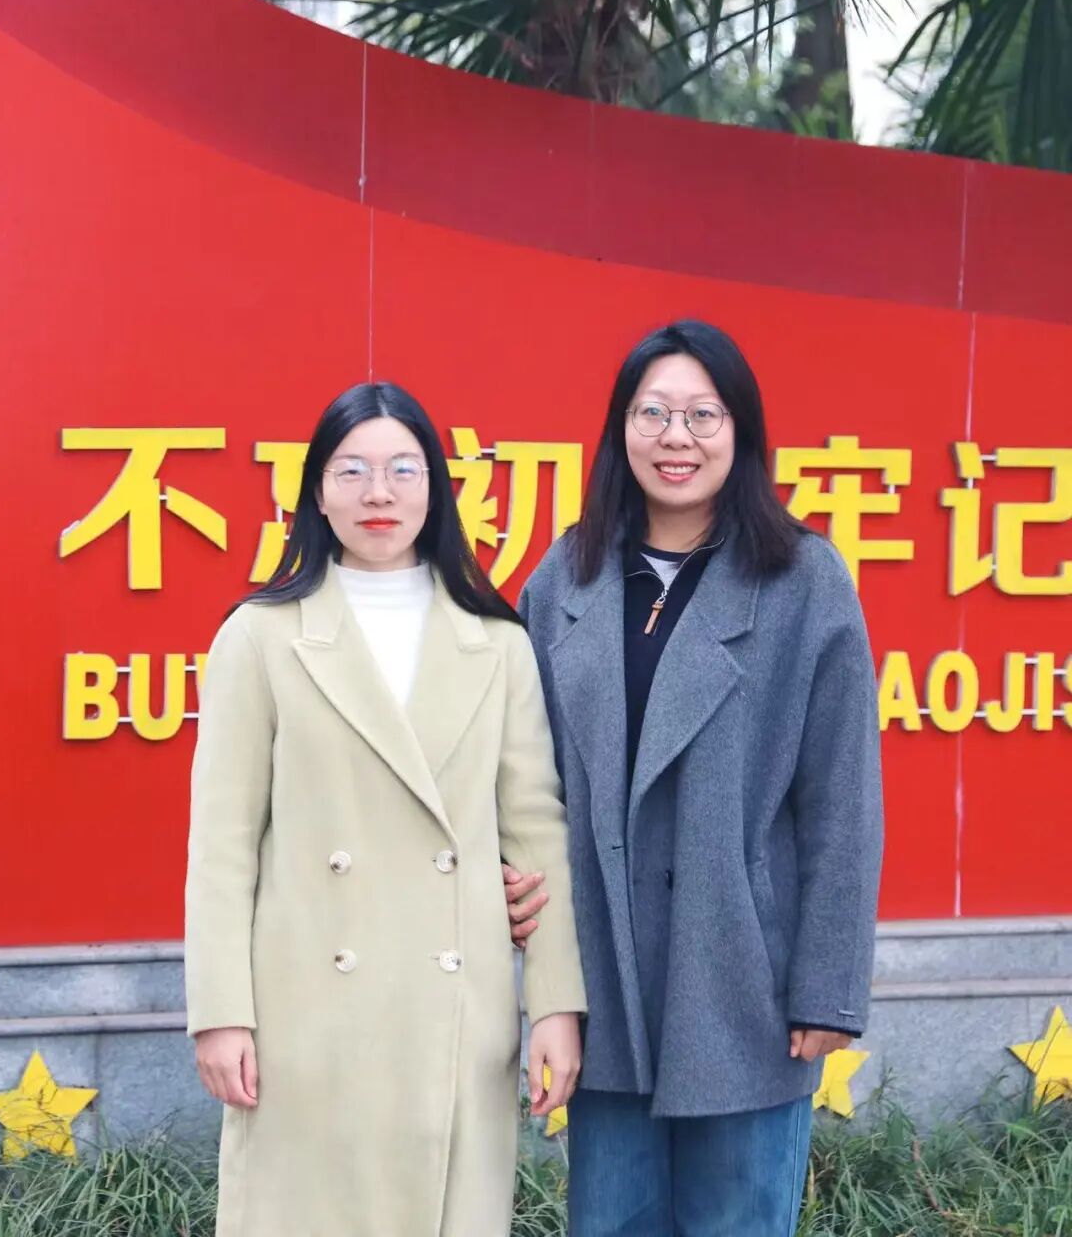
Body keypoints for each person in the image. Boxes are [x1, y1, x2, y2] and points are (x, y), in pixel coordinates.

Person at [184, 381, 585, 1237]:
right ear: (317, 493)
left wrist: (555, 1004)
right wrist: (220, 1015)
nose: (379, 492)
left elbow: (537, 833)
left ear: (435, 489)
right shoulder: (260, 636)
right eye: (352, 470)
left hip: (455, 1016)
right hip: (303, 1018)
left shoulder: (498, 643)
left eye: (404, 469)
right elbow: (222, 846)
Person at [509, 320, 883, 1237]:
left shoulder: (803, 581)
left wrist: (827, 987)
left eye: (702, 415)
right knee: (612, 1221)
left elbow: (842, 801)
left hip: (744, 976)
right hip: (607, 976)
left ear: (740, 431)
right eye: (654, 414)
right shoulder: (568, 576)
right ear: (621, 429)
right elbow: (522, 774)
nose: (676, 438)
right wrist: (511, 886)